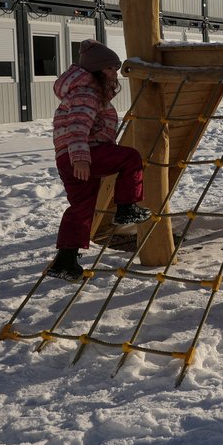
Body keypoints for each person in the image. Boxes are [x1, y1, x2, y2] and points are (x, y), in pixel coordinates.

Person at [47, 39, 152, 281]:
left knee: (82, 208)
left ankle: (65, 261)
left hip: (68, 158)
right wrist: (81, 159)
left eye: (115, 68)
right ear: (95, 70)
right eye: (110, 69)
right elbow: (77, 126)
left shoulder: (83, 90)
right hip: (86, 153)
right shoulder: (86, 91)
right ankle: (127, 208)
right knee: (130, 158)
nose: (114, 74)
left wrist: (76, 158)